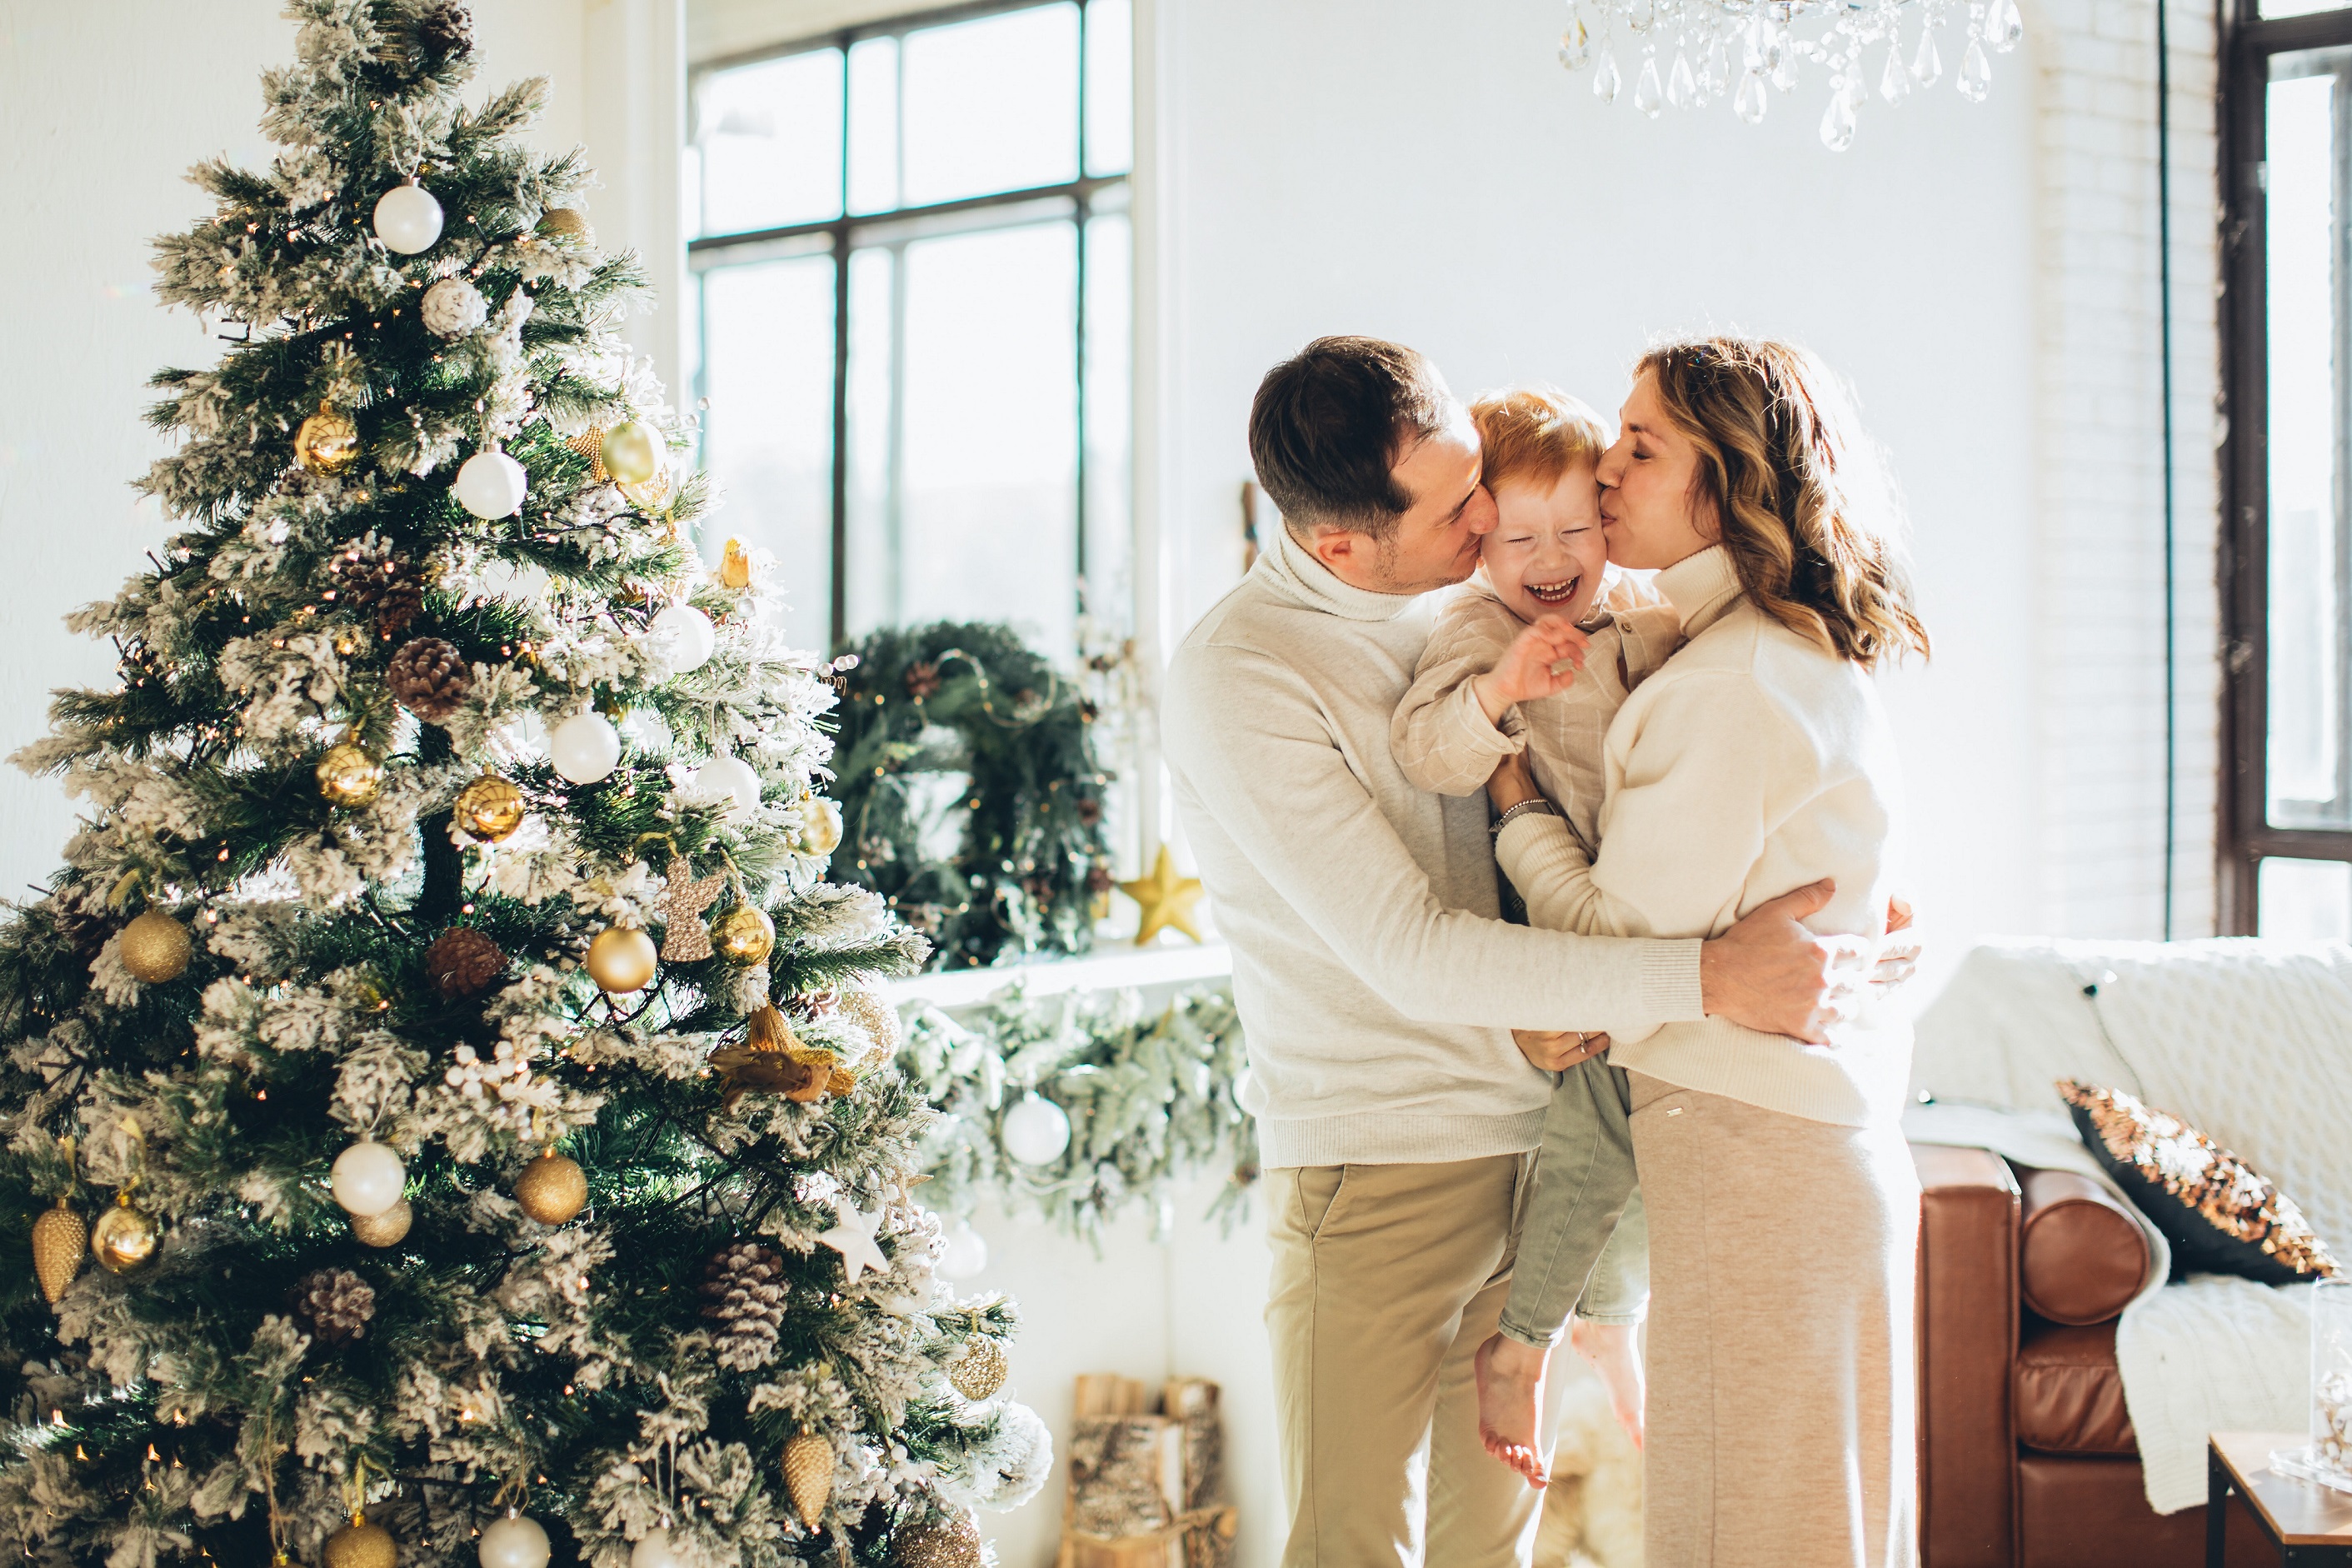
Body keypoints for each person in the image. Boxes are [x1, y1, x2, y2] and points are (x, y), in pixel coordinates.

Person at [1158, 336, 1896, 1568]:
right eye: (1462, 508)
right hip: (1384, 1162)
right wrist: (1707, 977)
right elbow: (1411, 949)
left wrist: (1845, 913)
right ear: (1343, 544)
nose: (1495, 515)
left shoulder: (1472, 595)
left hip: (1542, 1129)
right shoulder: (1244, 673)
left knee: (1489, 1551)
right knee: (1355, 1545)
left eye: (1479, 480)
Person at [1486, 336, 1930, 1567]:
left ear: (1727, 480)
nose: (1605, 470)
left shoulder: (1734, 684)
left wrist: (1519, 810)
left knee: (1749, 1536)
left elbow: (1608, 962)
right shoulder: (1775, 658)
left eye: (1642, 445)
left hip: (1757, 1165)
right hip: (1799, 1163)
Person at [1389, 385, 1678, 1476]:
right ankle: (1535, 1336)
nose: (1551, 557)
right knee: (1603, 1115)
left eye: (1575, 530)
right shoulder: (1477, 627)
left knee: (1653, 1116)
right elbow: (1425, 753)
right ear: (1481, 543)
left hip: (1631, 901)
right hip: (1553, 916)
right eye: (1519, 537)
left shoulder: (1641, 612)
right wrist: (1502, 688)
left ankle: (1605, 1311)